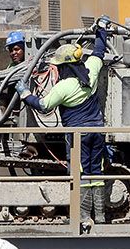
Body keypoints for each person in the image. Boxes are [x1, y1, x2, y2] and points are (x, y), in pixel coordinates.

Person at [16, 28, 111, 225]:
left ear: (65, 66)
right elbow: (99, 52)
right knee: (97, 172)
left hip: (78, 135)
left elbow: (43, 106)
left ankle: (83, 217)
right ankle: (100, 217)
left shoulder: (64, 87)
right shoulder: (90, 72)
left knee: (80, 172)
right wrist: (102, 30)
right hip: (97, 131)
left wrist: (25, 94)